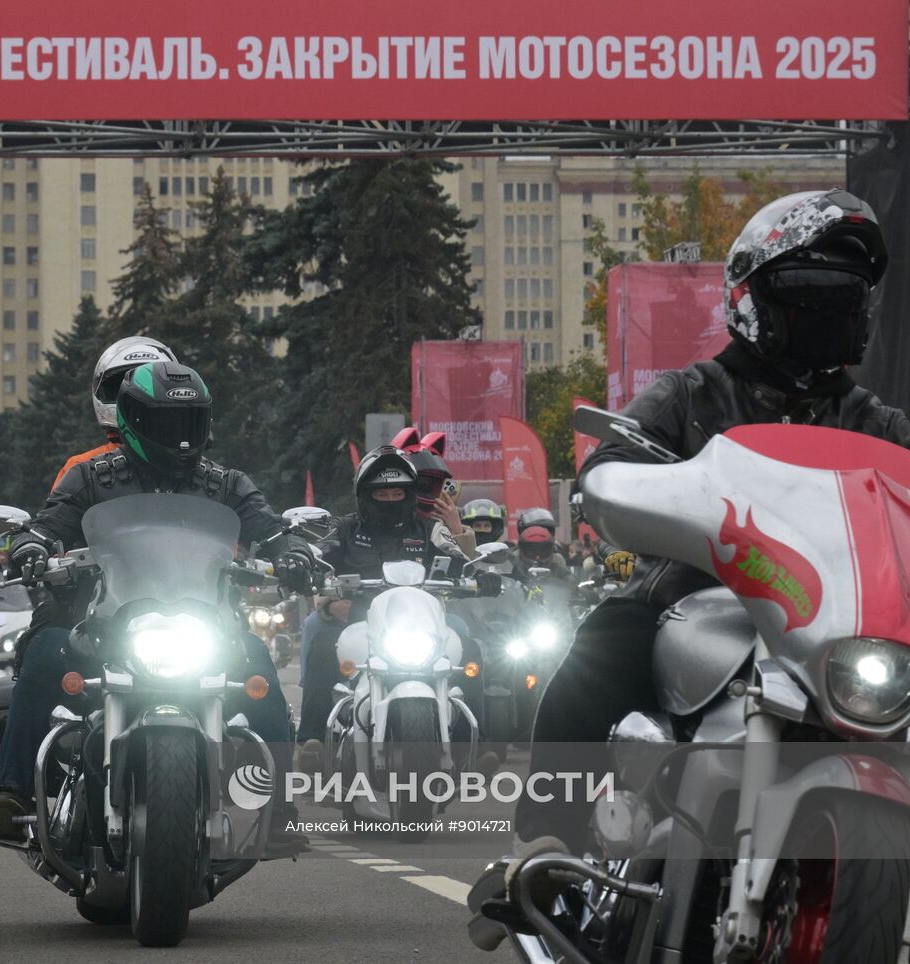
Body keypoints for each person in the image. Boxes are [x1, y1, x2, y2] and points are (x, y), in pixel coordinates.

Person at [513, 189, 910, 856]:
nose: (828, 312)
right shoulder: (689, 393)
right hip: (692, 596)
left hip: (840, 619)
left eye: (843, 298)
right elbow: (611, 461)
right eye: (808, 293)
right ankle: (544, 838)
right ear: (751, 297)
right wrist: (616, 478)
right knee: (600, 648)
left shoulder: (880, 423)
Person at [0, 361, 314, 857]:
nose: (179, 438)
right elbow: (50, 523)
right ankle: (13, 793)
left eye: (189, 424)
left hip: (202, 623)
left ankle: (281, 808)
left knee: (257, 665)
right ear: (133, 421)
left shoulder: (225, 483)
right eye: (164, 424)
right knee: (44, 653)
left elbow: (268, 528)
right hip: (111, 622)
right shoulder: (90, 478)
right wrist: (31, 545)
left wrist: (293, 552)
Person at [295, 447, 463, 770]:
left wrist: (478, 574)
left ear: (410, 494)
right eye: (381, 493)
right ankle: (312, 740)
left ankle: (476, 742)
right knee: (320, 646)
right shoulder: (345, 529)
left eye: (397, 492)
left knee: (468, 648)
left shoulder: (431, 531)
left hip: (422, 628)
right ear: (365, 496)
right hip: (360, 625)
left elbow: (460, 558)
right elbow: (319, 554)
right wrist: (311, 573)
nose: (390, 499)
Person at [50, 335, 178, 489]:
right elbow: (57, 512)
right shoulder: (81, 470)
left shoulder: (82, 468)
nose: (135, 400)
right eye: (122, 388)